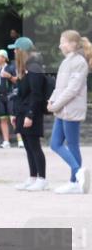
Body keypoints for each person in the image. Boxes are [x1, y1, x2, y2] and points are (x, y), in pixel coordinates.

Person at [48, 30, 92, 194]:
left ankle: (76, 177)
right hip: (62, 109)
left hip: (70, 109)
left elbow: (72, 89)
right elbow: (60, 87)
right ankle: (77, 175)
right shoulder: (67, 61)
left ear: (73, 44)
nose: (60, 45)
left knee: (71, 144)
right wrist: (52, 99)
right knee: (55, 144)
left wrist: (55, 105)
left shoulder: (79, 62)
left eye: (63, 41)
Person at [9, 37, 48, 191]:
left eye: (16, 49)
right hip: (21, 111)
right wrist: (14, 113)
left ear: (22, 50)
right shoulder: (24, 67)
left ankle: (42, 178)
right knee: (27, 146)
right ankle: (33, 177)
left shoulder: (34, 66)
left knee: (34, 146)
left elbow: (36, 94)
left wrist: (30, 115)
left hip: (31, 112)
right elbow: (21, 93)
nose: (14, 51)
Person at [0, 50, 21, 149]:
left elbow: (17, 80)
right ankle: (6, 141)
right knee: (3, 119)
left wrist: (9, 76)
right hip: (0, 96)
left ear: (4, 58)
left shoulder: (11, 67)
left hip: (10, 95)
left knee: (13, 119)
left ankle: (20, 140)